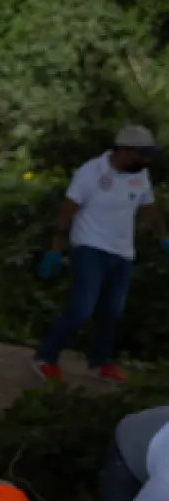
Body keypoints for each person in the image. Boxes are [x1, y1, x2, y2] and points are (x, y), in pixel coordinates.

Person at [33, 126, 169, 384]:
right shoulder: (91, 172)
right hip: (90, 247)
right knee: (82, 308)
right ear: (125, 151)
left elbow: (148, 209)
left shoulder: (140, 174)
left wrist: (165, 238)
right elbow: (67, 211)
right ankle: (45, 357)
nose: (147, 161)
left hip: (123, 252)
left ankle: (100, 362)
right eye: (143, 155)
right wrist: (55, 248)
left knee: (112, 312)